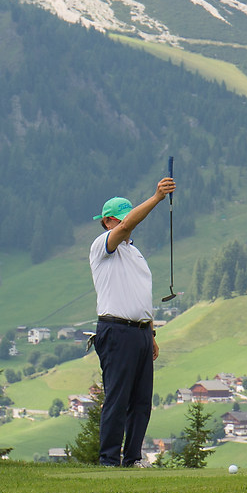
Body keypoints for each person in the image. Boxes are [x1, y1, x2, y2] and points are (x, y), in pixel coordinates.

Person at [88, 177, 176, 467]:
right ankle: (109, 459)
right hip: (115, 330)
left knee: (140, 401)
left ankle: (132, 458)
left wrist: (150, 334)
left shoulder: (135, 253)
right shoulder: (103, 245)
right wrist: (156, 198)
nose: (130, 223)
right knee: (118, 397)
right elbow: (126, 227)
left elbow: (141, 297)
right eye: (124, 218)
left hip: (139, 333)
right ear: (108, 221)